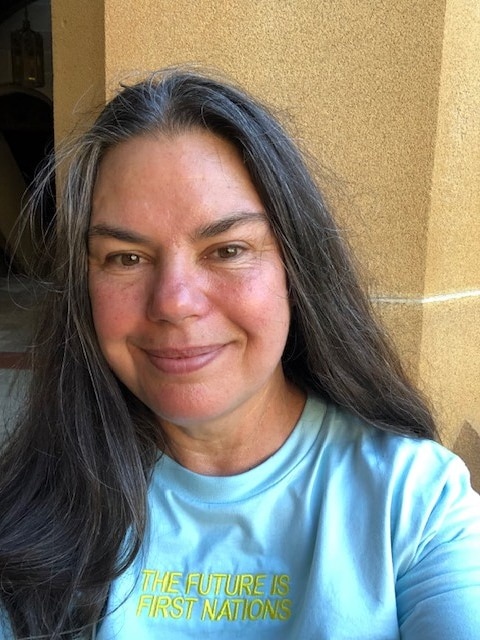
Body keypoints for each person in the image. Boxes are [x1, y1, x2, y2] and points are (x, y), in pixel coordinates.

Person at [0, 67, 479, 640]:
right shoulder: (31, 507)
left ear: (296, 271)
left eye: (227, 249)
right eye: (125, 258)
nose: (174, 303)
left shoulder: (414, 503)